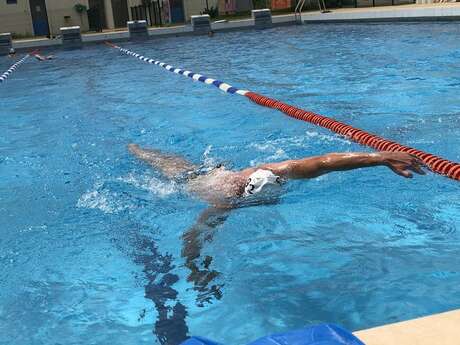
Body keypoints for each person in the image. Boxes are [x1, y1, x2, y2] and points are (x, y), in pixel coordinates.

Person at [128, 144, 426, 304]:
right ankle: (137, 149)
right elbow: (191, 238)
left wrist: (380, 157)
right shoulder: (224, 204)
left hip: (218, 174)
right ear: (250, 198)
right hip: (194, 183)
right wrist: (197, 270)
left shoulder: (271, 170)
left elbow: (324, 163)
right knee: (172, 169)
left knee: (186, 164)